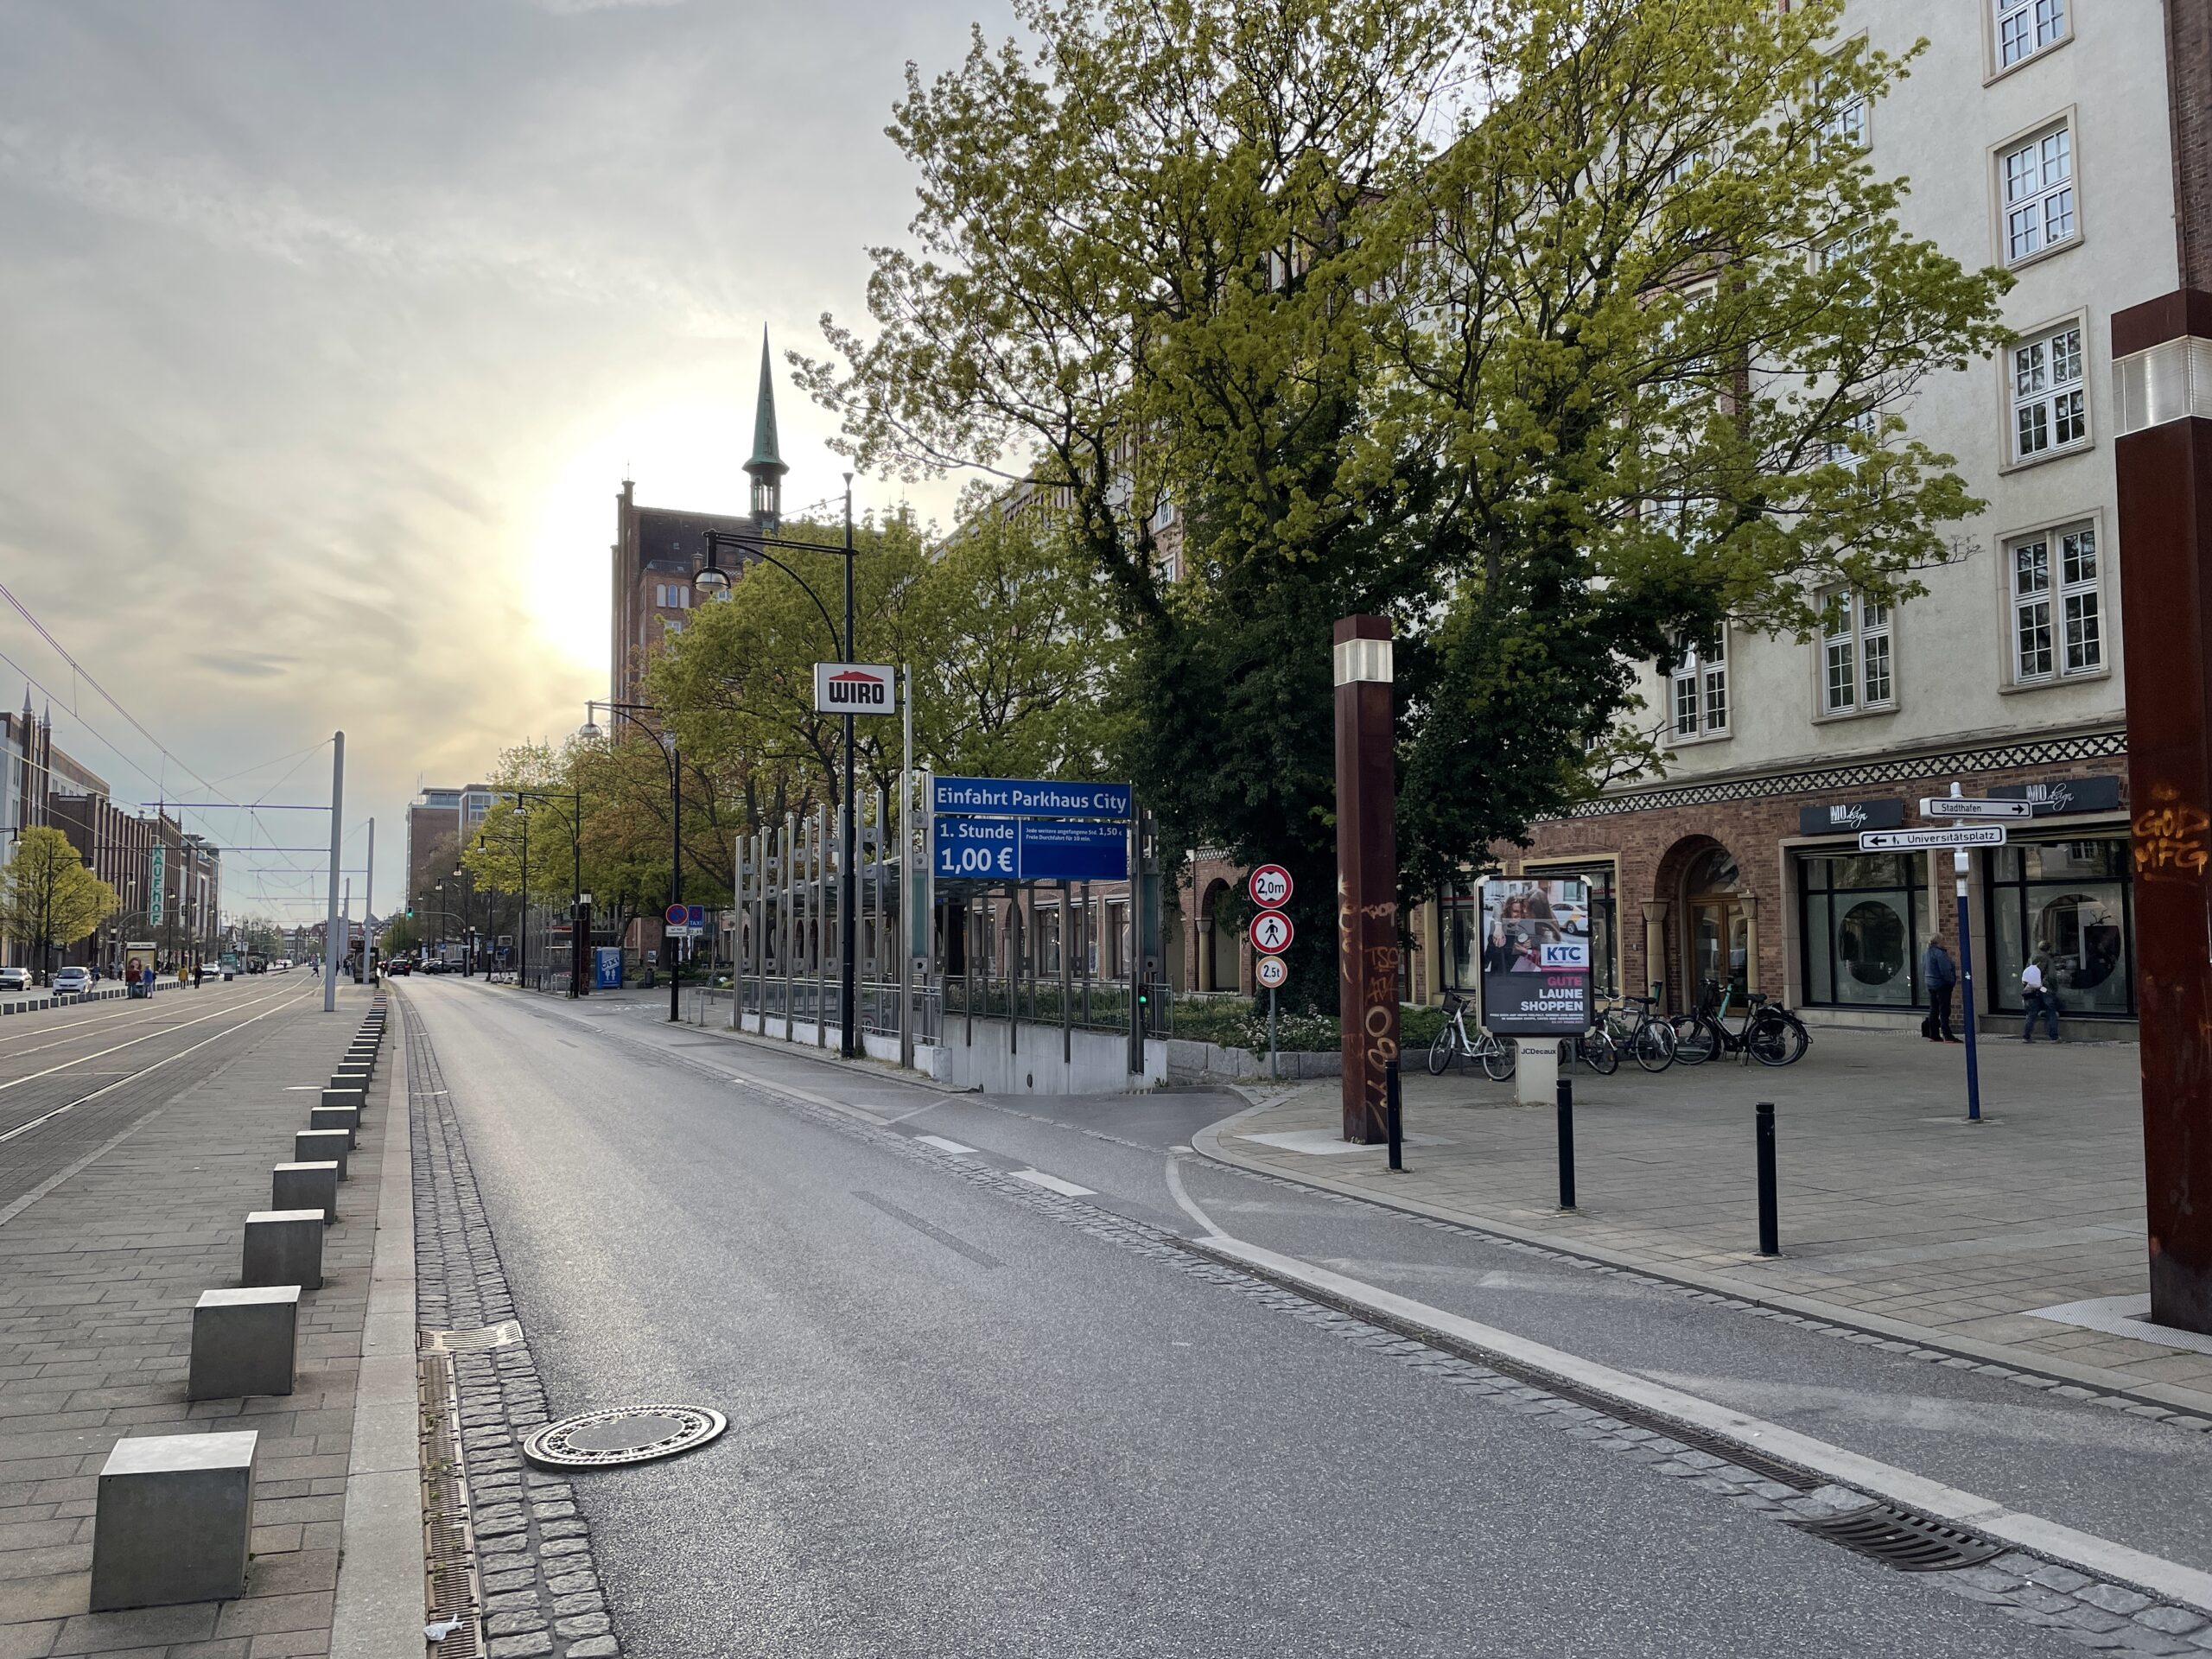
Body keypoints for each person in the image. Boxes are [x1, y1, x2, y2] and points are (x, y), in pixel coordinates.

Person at [1922, 932, 1960, 1043]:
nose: (1945, 942)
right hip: (1942, 984)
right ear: (1939, 941)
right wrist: (1951, 981)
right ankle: (1947, 1035)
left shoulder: (1926, 953)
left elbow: (1924, 967)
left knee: (1934, 1010)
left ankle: (1934, 1034)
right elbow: (1945, 970)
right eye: (1943, 940)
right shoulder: (1940, 953)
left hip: (1930, 983)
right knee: (1944, 1010)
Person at [2022, 958, 2062, 1042]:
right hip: (2040, 990)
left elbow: (2024, 982)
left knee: (2031, 1014)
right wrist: (2049, 991)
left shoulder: (2028, 968)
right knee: (2052, 1012)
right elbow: (2041, 986)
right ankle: (2054, 1037)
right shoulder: (2042, 967)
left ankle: (2026, 1036)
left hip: (2029, 992)